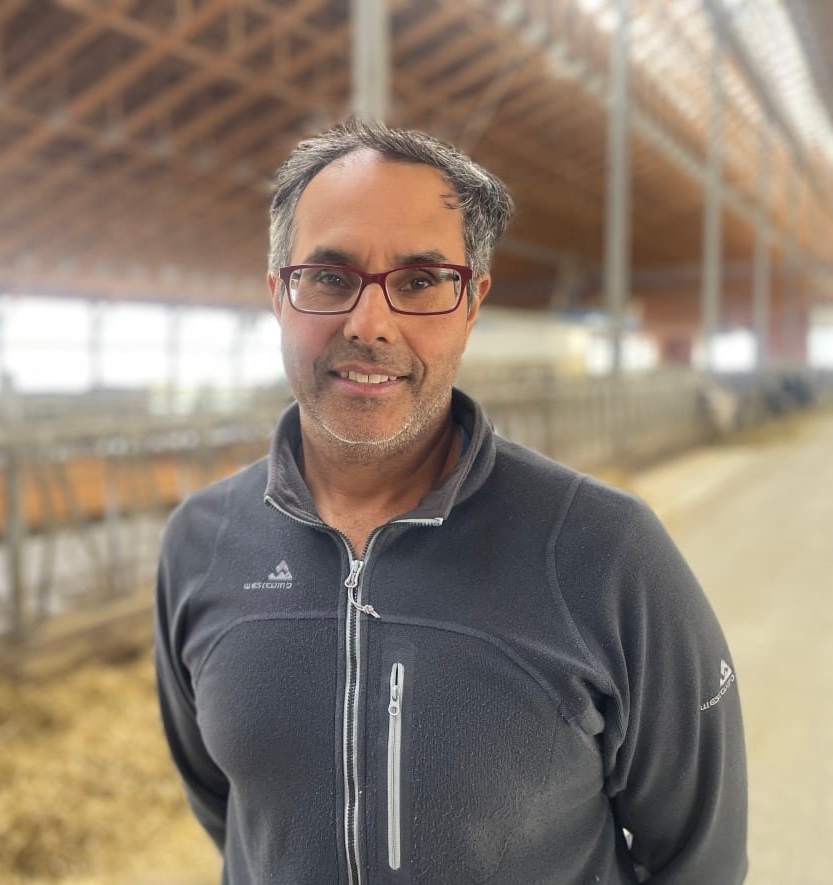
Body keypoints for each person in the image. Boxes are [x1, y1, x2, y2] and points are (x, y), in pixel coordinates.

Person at [154, 119, 748, 884]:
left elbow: (700, 856)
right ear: (279, 294)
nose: (370, 323)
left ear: (472, 302)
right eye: (330, 277)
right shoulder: (201, 545)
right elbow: (230, 808)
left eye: (421, 281)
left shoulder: (605, 552)